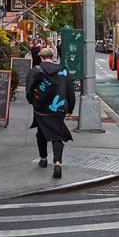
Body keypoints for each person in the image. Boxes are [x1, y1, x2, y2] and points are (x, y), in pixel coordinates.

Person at [25, 47, 75, 179]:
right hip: (58, 109)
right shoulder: (63, 71)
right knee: (56, 135)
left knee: (41, 132)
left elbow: (29, 90)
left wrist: (32, 102)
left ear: (41, 57)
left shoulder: (35, 70)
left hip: (41, 109)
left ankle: (43, 159)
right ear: (53, 57)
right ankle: (57, 164)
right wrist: (70, 108)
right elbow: (70, 91)